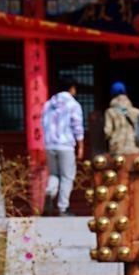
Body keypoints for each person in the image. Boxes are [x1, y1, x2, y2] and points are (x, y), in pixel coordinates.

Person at [42, 77, 84, 216]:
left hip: (50, 144)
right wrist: (81, 146)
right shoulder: (73, 104)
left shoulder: (48, 104)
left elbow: (43, 124)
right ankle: (63, 208)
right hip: (65, 145)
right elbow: (77, 126)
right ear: (71, 88)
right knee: (67, 176)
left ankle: (50, 192)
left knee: (54, 174)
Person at [104, 81, 139, 155]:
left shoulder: (110, 112)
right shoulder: (137, 112)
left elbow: (107, 132)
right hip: (134, 147)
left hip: (117, 148)